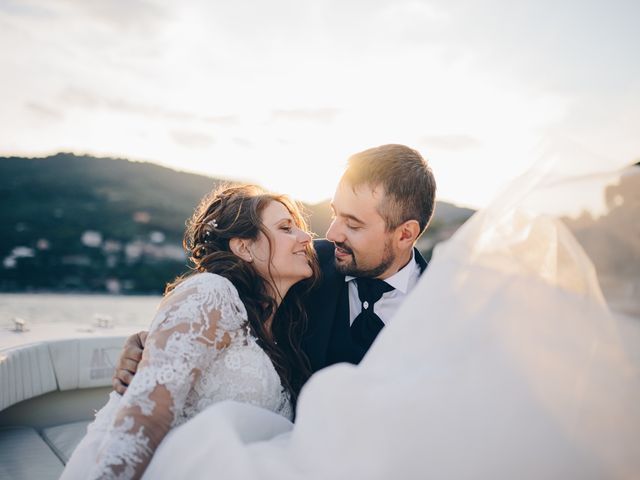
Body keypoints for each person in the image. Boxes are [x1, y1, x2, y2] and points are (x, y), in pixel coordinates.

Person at [113, 144, 437, 393]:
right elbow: (225, 304)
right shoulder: (309, 263)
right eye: (336, 214)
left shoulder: (444, 309)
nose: (333, 233)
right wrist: (149, 343)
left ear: (405, 233)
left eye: (352, 224)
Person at [61, 184, 319, 479]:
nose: (306, 237)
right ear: (244, 247)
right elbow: (148, 416)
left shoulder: (281, 328)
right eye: (286, 228)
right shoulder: (211, 292)